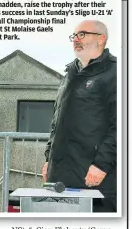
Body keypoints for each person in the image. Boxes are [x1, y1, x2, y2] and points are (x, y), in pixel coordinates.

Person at [43, 20, 117, 212]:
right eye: (74, 35)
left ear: (101, 39)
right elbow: (56, 121)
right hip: (60, 177)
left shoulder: (116, 73)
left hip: (95, 177)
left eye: (82, 34)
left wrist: (102, 164)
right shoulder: (69, 74)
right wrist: (48, 159)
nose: (76, 39)